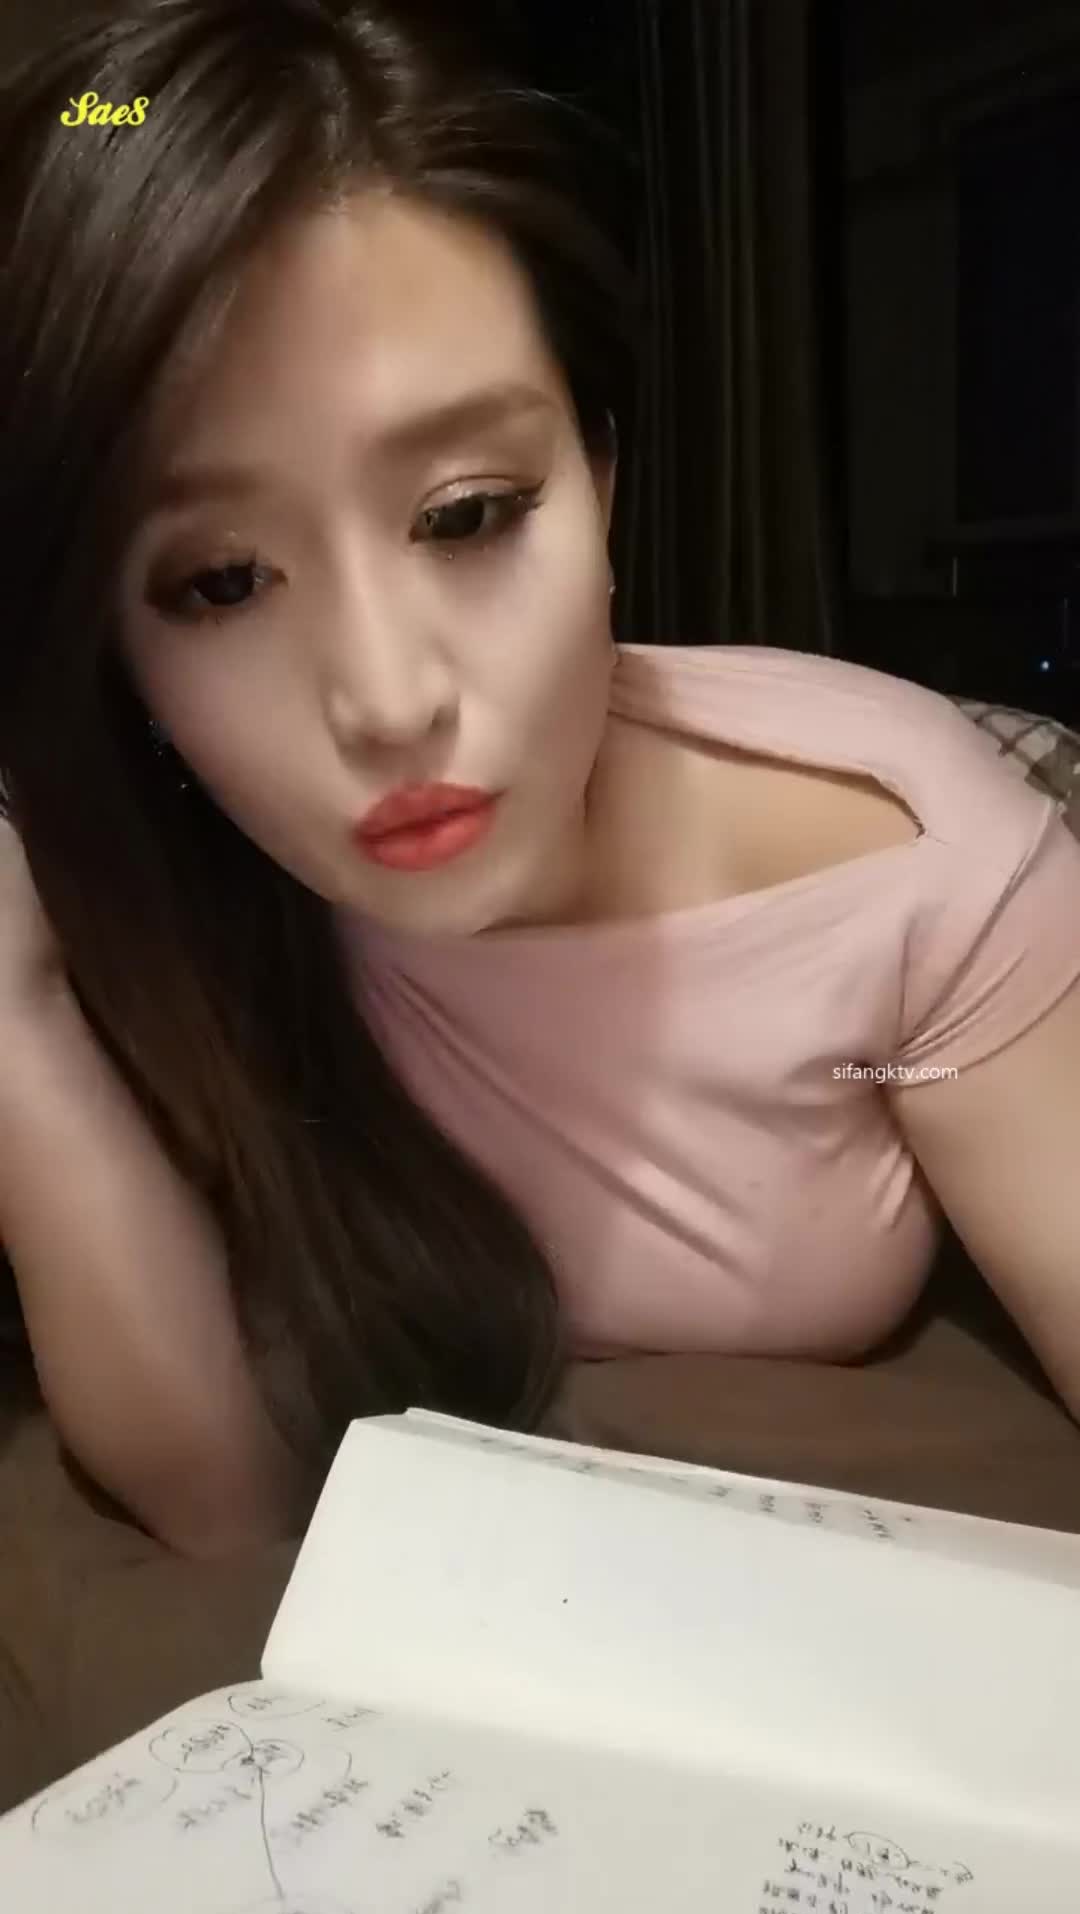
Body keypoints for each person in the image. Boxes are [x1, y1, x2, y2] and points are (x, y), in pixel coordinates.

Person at [3, 0, 1080, 1563]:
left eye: (465, 513)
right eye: (222, 582)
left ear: (602, 478)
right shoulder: (160, 879)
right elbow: (228, 1505)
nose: (390, 702)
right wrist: (19, 1013)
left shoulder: (907, 859)